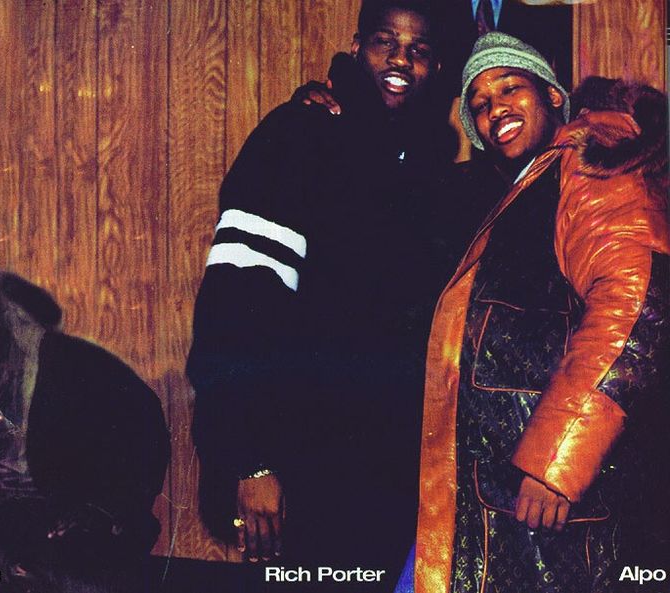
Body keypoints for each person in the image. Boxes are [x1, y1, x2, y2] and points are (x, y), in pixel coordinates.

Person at [187, 1, 472, 589]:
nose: (400, 59)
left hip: (381, 476)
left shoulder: (427, 170)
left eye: (418, 50)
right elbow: (235, 306)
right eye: (384, 42)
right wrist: (250, 460)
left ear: (438, 68)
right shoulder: (299, 136)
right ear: (356, 46)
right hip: (295, 466)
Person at [413, 32, 669, 593]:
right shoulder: (527, 187)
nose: (495, 107)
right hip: (509, 502)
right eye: (478, 104)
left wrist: (557, 459)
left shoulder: (591, 158)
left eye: (511, 88)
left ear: (554, 97)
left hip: (554, 500)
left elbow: (635, 306)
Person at [0, 248, 170, 590]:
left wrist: (102, 507)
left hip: (76, 518)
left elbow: (143, 423)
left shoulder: (61, 358)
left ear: (0, 300)